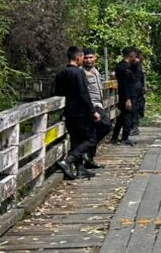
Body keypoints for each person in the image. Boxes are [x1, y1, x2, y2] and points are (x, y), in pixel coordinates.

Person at [52, 47, 101, 181]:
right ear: (78, 58)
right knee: (91, 139)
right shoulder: (79, 72)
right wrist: (93, 111)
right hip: (81, 112)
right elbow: (84, 93)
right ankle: (68, 161)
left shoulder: (61, 73)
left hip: (68, 112)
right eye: (83, 57)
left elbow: (55, 92)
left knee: (76, 140)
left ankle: (80, 169)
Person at [79, 49, 111, 169]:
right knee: (106, 125)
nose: (88, 60)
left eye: (91, 57)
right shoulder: (81, 72)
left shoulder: (95, 71)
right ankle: (86, 150)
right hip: (92, 105)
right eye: (86, 58)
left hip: (99, 104)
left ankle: (89, 159)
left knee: (94, 131)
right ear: (82, 58)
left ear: (95, 58)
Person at [113, 47, 140, 146]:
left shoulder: (122, 65)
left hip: (125, 94)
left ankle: (114, 137)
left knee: (122, 117)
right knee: (128, 117)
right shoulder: (125, 68)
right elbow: (125, 84)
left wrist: (136, 64)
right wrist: (128, 99)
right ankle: (124, 138)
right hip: (127, 96)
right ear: (131, 56)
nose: (136, 58)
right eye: (135, 56)